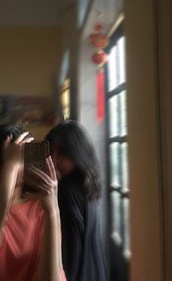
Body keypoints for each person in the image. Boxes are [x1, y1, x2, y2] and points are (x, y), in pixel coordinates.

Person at [0, 124, 66, 281]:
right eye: (21, 157)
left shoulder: (39, 208)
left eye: (28, 155)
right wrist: (10, 167)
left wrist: (52, 209)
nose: (27, 164)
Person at [46, 120, 107, 281]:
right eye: (51, 152)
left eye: (59, 153)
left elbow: (68, 254)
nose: (53, 159)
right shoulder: (89, 183)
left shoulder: (66, 192)